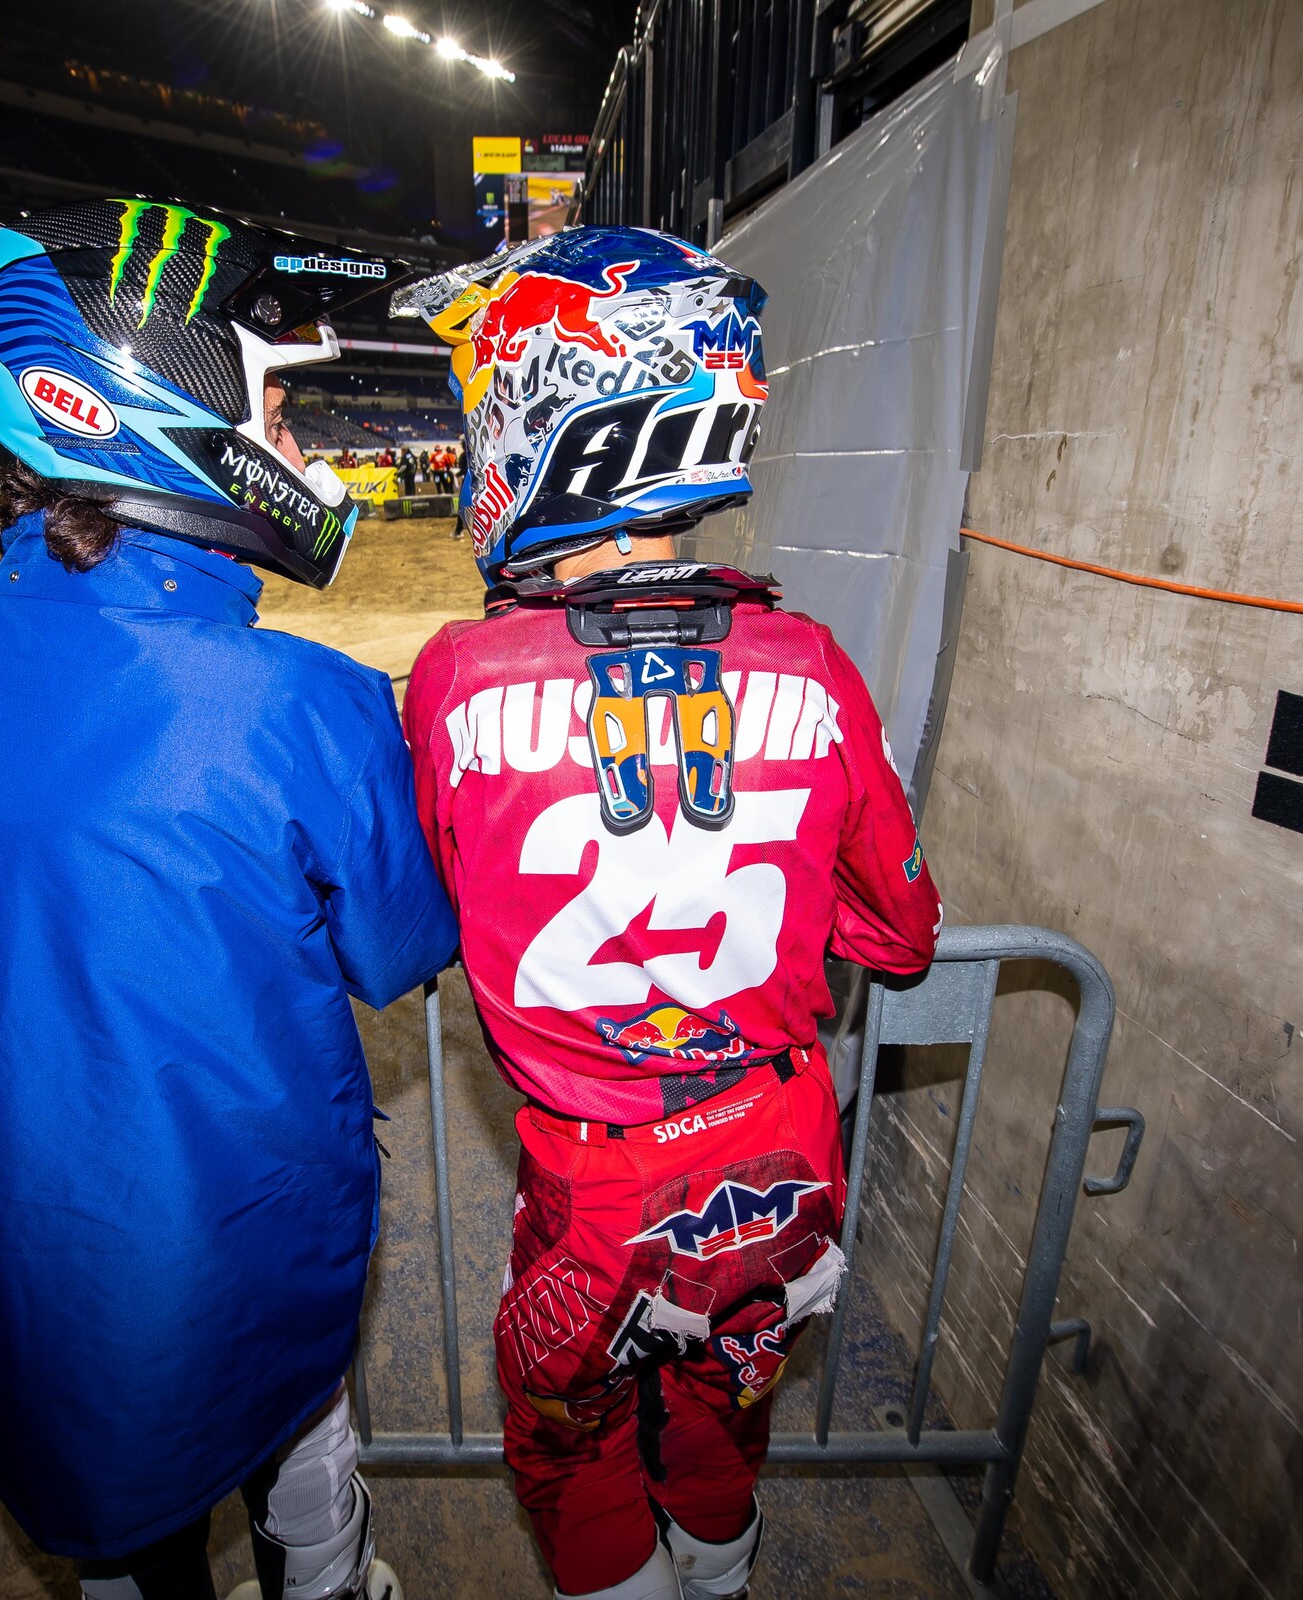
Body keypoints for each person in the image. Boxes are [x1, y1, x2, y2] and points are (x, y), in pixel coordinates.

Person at [0, 201, 456, 1600]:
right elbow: (399, 949)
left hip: (9, 1222)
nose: (306, 456)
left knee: (105, 1509)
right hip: (247, 1205)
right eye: (280, 414)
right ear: (148, 401)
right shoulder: (298, 701)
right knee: (300, 1452)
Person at [391, 229, 943, 1600]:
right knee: (718, 1412)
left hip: (599, 1180)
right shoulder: (810, 660)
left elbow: (427, 921)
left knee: (569, 1453)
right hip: (781, 1150)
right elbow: (900, 936)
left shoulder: (458, 679)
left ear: (548, 412)